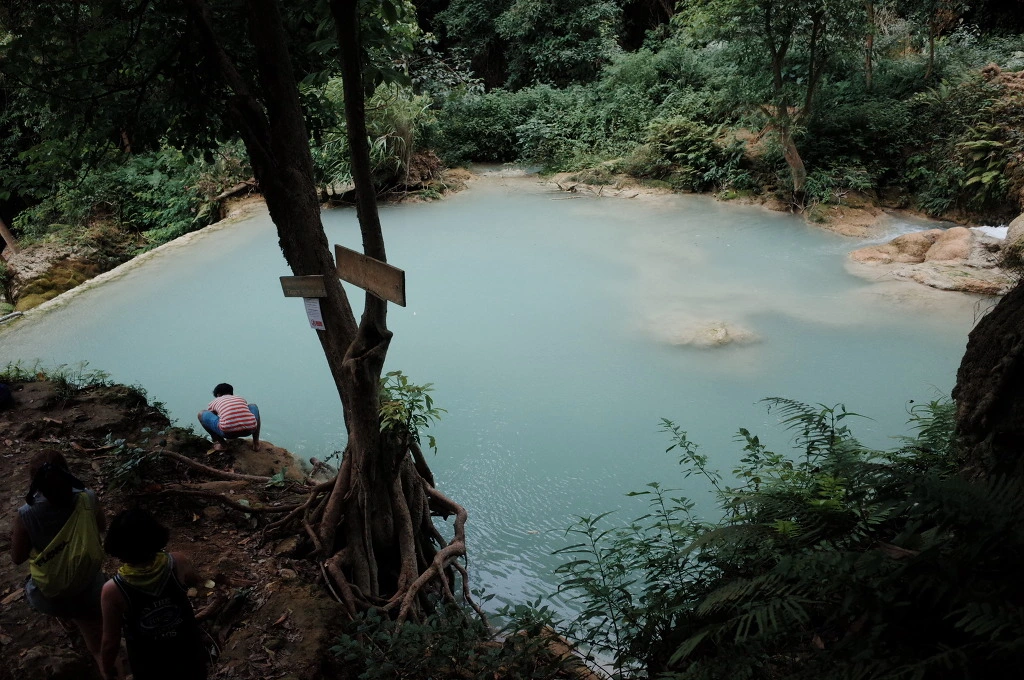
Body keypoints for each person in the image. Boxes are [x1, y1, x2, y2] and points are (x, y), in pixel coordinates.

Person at [10, 451, 107, 670]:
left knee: (33, 583)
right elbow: (101, 527)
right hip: (90, 588)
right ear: (68, 473)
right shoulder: (87, 498)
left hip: (50, 596)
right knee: (99, 647)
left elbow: (17, 558)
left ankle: (66, 615)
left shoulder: (26, 515)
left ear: (34, 483)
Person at [100, 509, 208, 680]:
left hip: (149, 665)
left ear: (117, 546)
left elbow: (110, 642)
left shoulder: (113, 590)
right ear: (156, 535)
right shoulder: (177, 562)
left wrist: (106, 668)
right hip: (189, 654)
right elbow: (195, 581)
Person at [197, 382, 261, 451]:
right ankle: (256, 443)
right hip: (250, 430)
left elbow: (212, 417)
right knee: (253, 406)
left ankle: (223, 445)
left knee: (201, 414)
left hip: (228, 433)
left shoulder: (214, 401)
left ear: (218, 394)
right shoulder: (240, 398)